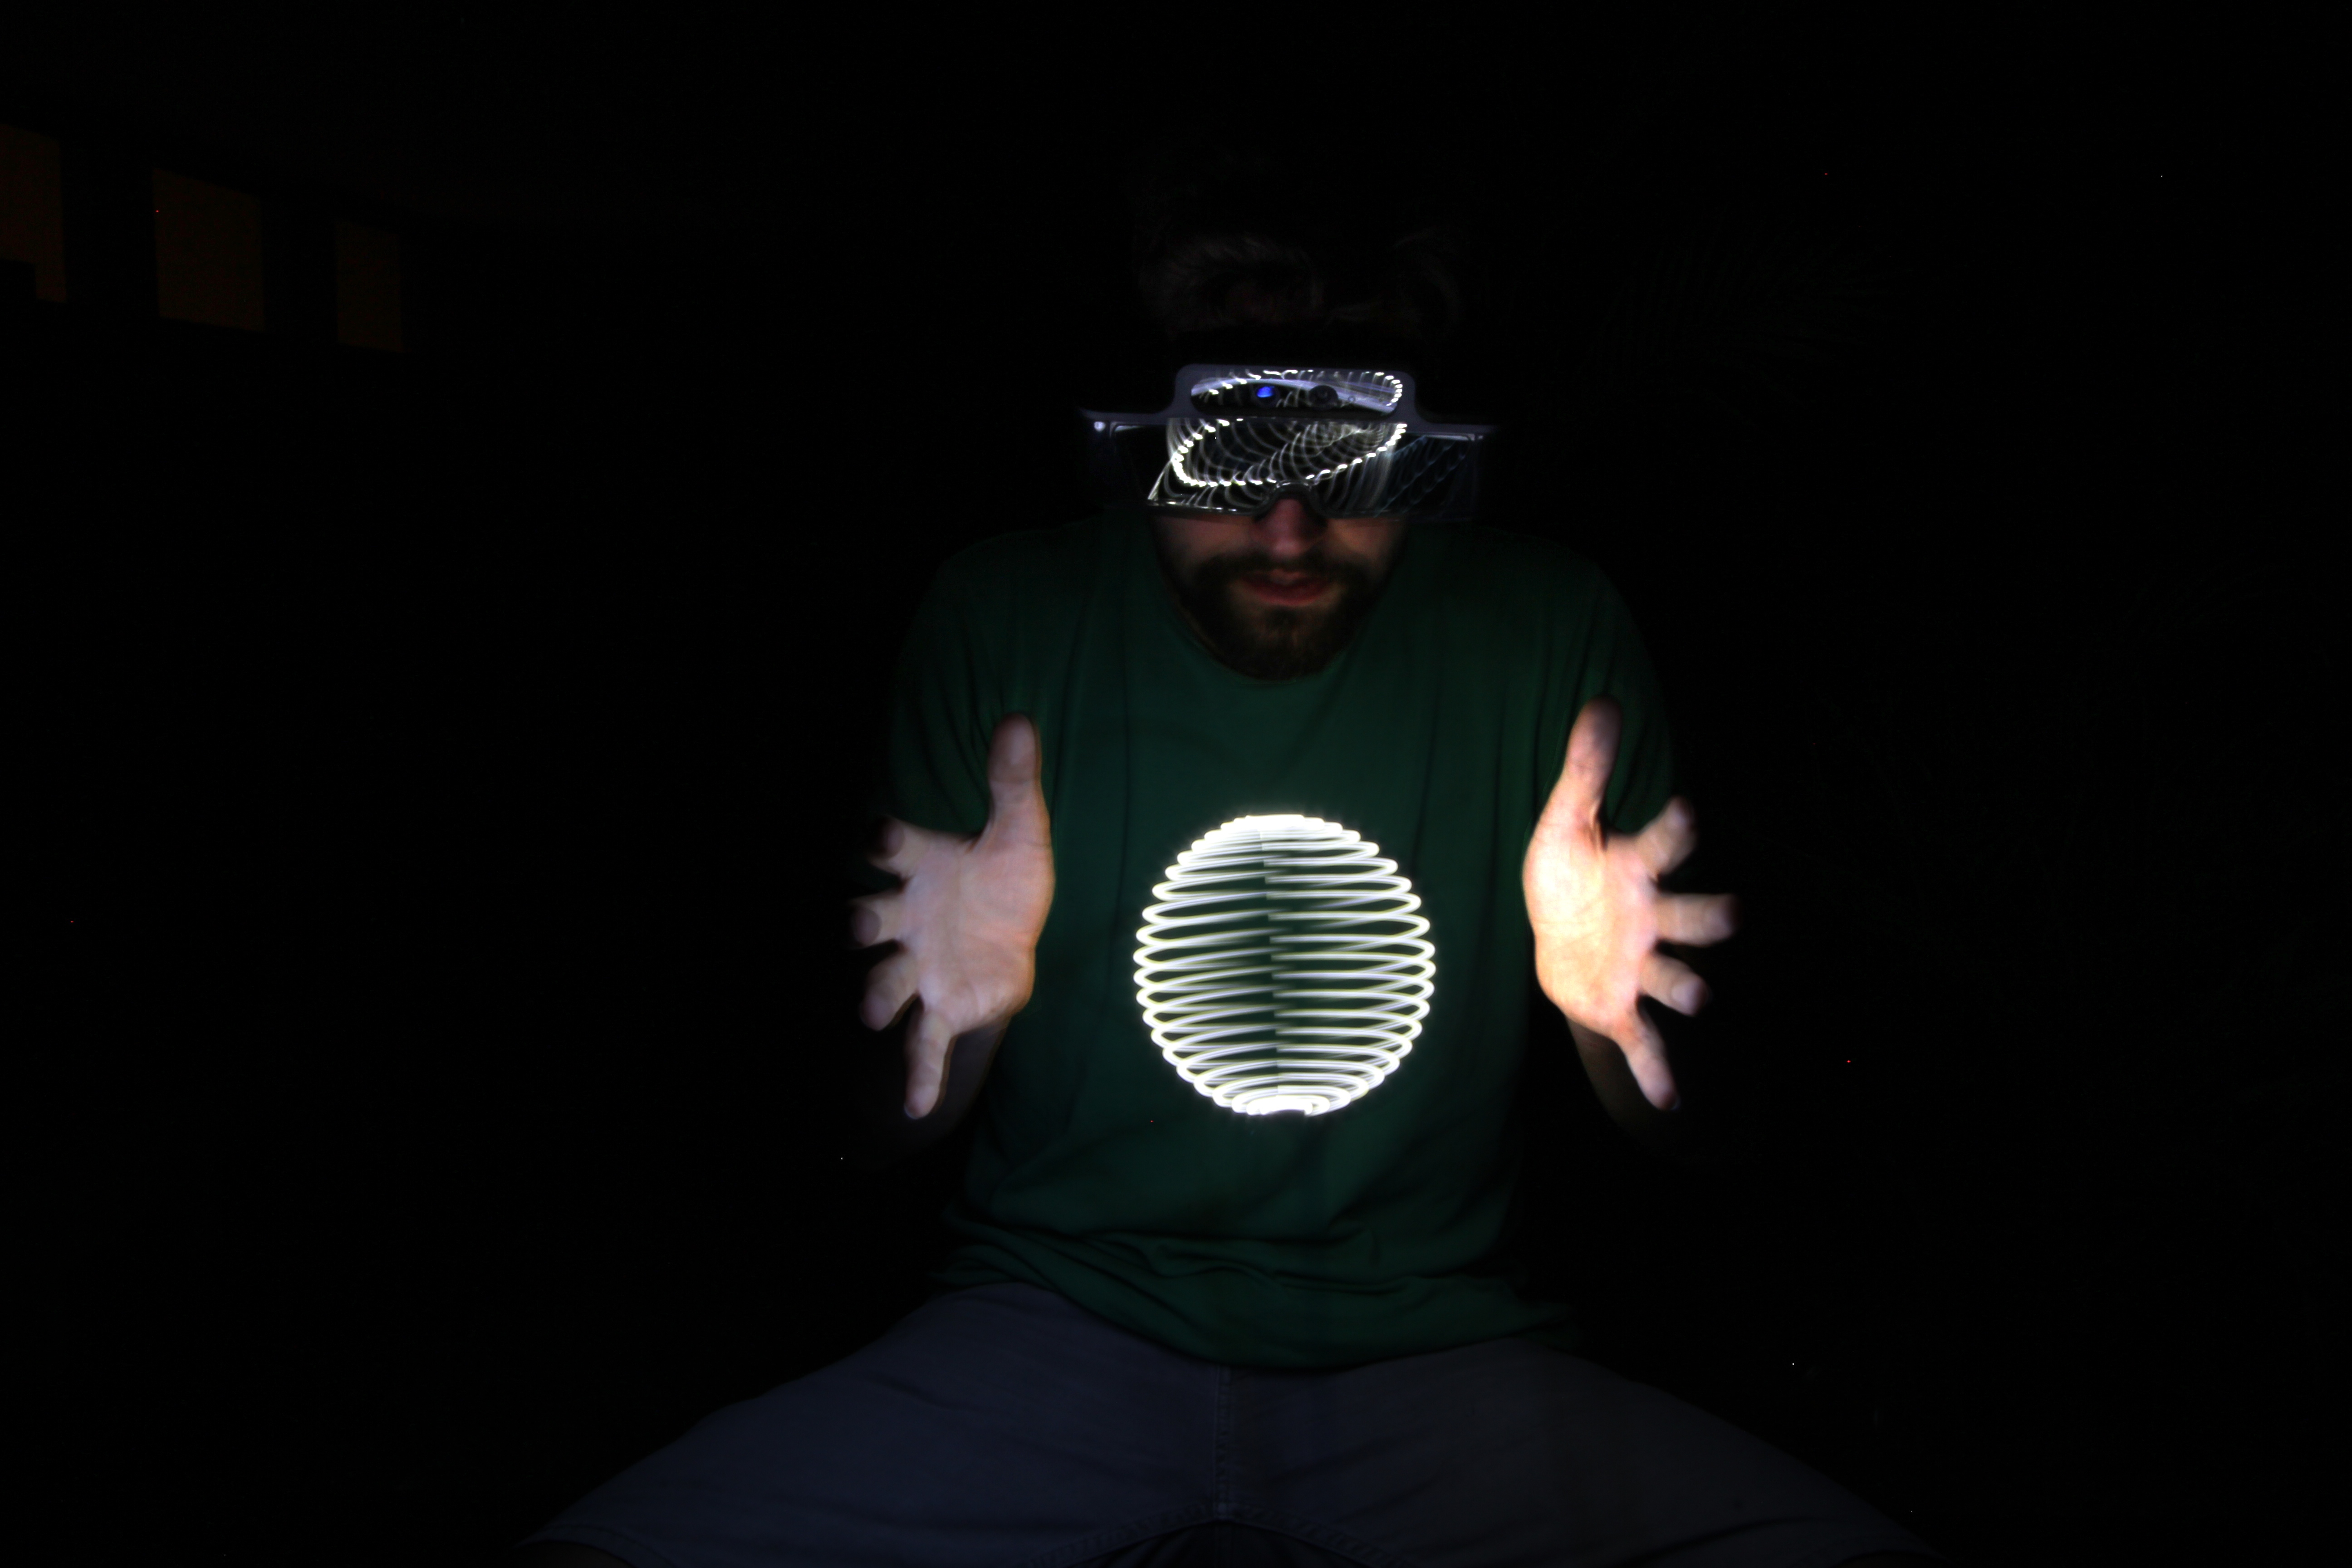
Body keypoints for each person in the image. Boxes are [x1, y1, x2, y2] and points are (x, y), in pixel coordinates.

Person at [511, 139, 1943, 1567]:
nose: (1289, 523)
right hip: (1046, 1325)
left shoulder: (1549, 625)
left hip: (1440, 1354)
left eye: (1347, 447)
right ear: (1144, 431)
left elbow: (1685, 1131)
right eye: (1236, 444)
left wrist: (1613, 1023)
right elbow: (878, 1134)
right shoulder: (1002, 614)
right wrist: (948, 1018)